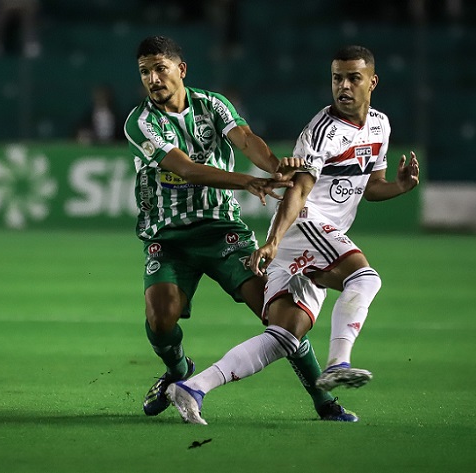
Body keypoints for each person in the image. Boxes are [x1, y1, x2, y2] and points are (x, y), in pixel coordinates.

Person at [167, 45, 420, 424]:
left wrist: (398, 187)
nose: (344, 87)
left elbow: (372, 185)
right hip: (303, 223)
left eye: (353, 78)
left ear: (373, 81)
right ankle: (339, 362)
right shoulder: (323, 131)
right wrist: (272, 241)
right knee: (365, 277)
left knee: (286, 336)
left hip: (311, 238)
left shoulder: (380, 125)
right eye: (337, 78)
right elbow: (298, 190)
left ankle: (192, 388)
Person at [124, 35, 358, 423]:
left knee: (280, 315)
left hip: (223, 231)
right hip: (169, 238)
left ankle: (324, 401)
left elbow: (245, 139)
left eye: (159, 69)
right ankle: (180, 371)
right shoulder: (141, 121)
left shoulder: (212, 105)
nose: (152, 79)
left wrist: (274, 169)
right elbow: (185, 168)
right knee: (160, 317)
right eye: (145, 72)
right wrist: (245, 181)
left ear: (180, 70)